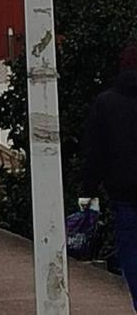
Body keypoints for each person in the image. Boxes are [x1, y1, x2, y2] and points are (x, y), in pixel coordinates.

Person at [83, 41, 137, 309]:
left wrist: (88, 190)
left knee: (132, 258)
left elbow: (95, 152)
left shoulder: (106, 103)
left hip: (124, 196)